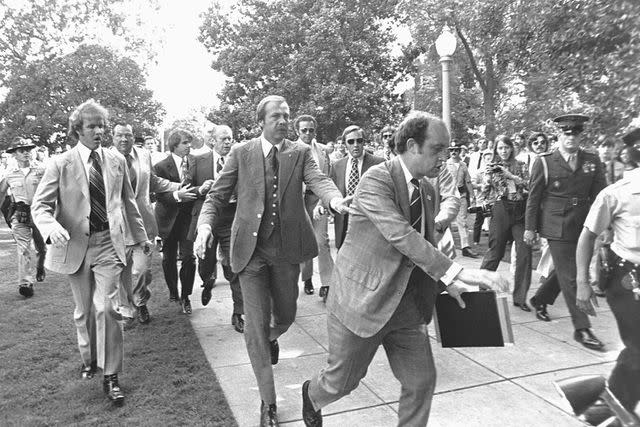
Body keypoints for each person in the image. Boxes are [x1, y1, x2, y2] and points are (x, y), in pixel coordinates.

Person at [301, 111, 509, 427]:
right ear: (412, 145)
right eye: (437, 148)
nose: (445, 156)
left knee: (421, 382)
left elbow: (425, 243)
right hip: (362, 304)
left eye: (448, 149)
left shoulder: (426, 188)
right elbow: (401, 235)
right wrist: (458, 272)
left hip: (407, 308)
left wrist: (446, 284)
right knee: (341, 383)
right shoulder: (376, 180)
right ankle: (312, 395)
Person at [193, 95, 349, 426]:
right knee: (255, 324)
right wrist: (205, 226)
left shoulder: (301, 152)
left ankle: (269, 338)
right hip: (250, 256)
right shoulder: (241, 153)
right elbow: (217, 196)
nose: (283, 121)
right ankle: (268, 403)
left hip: (285, 251)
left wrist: (334, 199)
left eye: (286, 116)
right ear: (261, 121)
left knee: (288, 315)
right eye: (276, 116)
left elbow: (318, 180)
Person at [31, 99, 149, 405]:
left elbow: (128, 203)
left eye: (102, 125)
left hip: (109, 244)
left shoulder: (115, 161)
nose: (99, 131)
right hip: (76, 247)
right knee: (84, 312)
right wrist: (49, 227)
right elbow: (40, 206)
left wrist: (140, 237)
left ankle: (111, 376)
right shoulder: (61, 164)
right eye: (92, 126)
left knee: (107, 308)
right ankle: (89, 358)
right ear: (78, 130)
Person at [525, 114, 607, 350]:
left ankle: (540, 299)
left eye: (575, 133)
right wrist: (530, 228)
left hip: (583, 225)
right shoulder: (545, 161)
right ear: (559, 135)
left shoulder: (592, 159)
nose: (571, 138)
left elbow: (601, 196)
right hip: (556, 225)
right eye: (566, 133)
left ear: (581, 135)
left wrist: (605, 225)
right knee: (572, 275)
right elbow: (534, 198)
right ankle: (582, 329)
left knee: (563, 271)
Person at [576, 145, 640, 418]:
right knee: (638, 348)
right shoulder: (618, 193)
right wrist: (582, 282)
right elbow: (587, 237)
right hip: (629, 278)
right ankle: (606, 414)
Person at [112, 123, 182, 324]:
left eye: (128, 135)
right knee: (120, 273)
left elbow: (152, 181)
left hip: (142, 224)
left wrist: (178, 186)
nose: (124, 139)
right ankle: (126, 309)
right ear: (113, 137)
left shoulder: (143, 155)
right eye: (119, 136)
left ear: (133, 137)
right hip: (117, 227)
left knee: (143, 271)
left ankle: (141, 301)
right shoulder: (104, 158)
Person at [187, 124, 245, 333]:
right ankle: (208, 279)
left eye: (230, 138)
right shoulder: (198, 161)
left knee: (233, 264)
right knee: (205, 261)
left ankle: (238, 312)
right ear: (213, 141)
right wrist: (200, 189)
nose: (228, 142)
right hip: (209, 217)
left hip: (232, 217)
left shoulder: (239, 158)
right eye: (223, 139)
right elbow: (187, 187)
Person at [478, 135, 532, 311]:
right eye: (500, 148)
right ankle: (483, 292)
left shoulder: (522, 165)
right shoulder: (491, 168)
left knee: (524, 252)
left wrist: (512, 176)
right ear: (496, 150)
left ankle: (520, 297)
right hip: (501, 209)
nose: (503, 151)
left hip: (520, 210)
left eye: (506, 147)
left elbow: (530, 186)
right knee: (496, 251)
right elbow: (485, 190)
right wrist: (483, 202)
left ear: (511, 148)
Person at [154, 129, 198, 314]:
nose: (189, 145)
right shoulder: (161, 166)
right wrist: (176, 195)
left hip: (188, 217)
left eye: (189, 142)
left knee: (189, 256)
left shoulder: (196, 163)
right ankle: (173, 291)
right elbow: (159, 194)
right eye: (185, 143)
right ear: (174, 146)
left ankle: (186, 296)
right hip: (168, 217)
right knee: (169, 257)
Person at [0, 137, 47, 297]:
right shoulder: (9, 174)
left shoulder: (42, 170)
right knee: (23, 249)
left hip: (40, 213)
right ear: (14, 154)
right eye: (22, 150)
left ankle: (40, 267)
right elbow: (1, 193)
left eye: (28, 149)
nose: (26, 153)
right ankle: (25, 283)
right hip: (20, 215)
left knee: (42, 248)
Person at [294, 114, 334, 299]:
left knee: (321, 240)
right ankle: (307, 278)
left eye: (311, 130)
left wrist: (322, 201)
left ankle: (327, 283)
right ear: (297, 131)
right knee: (303, 241)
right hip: (297, 202)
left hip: (317, 199)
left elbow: (326, 178)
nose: (308, 133)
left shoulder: (323, 151)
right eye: (304, 130)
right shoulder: (290, 150)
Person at [329, 125, 384, 250]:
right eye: (351, 141)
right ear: (344, 144)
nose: (356, 145)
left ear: (364, 142)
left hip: (370, 223)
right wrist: (324, 206)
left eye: (359, 141)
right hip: (344, 223)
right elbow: (331, 191)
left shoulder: (379, 163)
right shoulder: (337, 166)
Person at [446, 140, 477, 258]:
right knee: (446, 221)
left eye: (456, 150)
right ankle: (447, 246)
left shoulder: (463, 165)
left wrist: (472, 195)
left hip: (462, 195)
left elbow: (468, 181)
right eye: (451, 150)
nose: (454, 152)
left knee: (462, 222)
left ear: (460, 151)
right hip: (449, 196)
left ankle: (465, 247)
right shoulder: (445, 165)